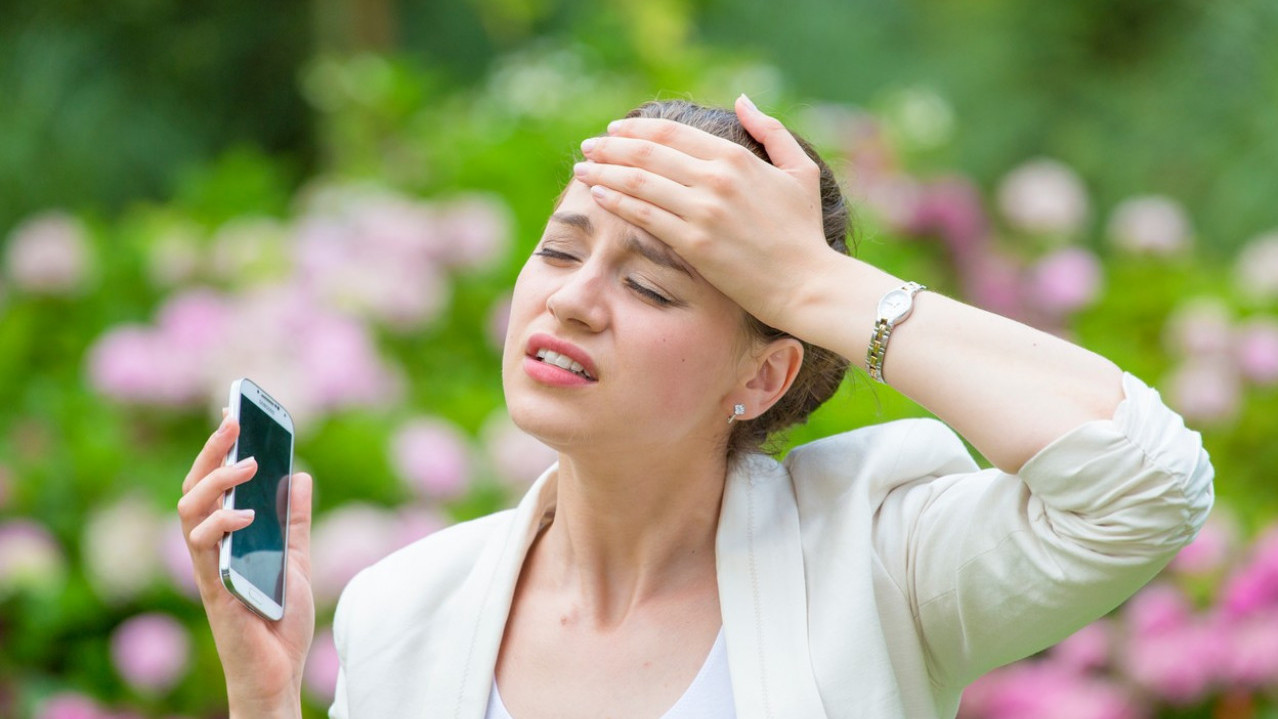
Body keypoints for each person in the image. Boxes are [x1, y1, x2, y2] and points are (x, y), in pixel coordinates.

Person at [178, 96, 1214, 719]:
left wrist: (814, 283)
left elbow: (1147, 481)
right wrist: (264, 700)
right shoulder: (407, 609)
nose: (575, 299)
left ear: (761, 376)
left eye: (652, 285)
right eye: (562, 250)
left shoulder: (877, 558)